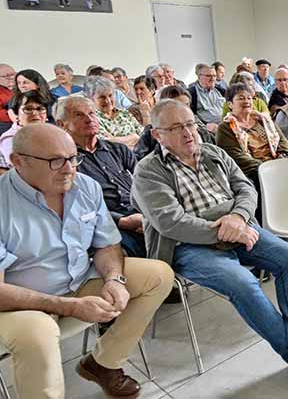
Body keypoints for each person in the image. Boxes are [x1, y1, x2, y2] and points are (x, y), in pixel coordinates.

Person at [131, 100, 288, 382]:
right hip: (186, 245)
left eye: (190, 124)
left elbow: (245, 189)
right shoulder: (148, 170)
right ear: (157, 134)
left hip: (237, 227)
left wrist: (237, 217)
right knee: (243, 283)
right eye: (175, 128)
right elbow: (171, 222)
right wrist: (227, 226)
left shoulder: (213, 153)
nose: (187, 132)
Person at [0, 123, 174, 399]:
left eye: (72, 158)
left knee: (158, 275)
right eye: (56, 161)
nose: (69, 168)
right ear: (17, 161)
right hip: (17, 305)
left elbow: (107, 244)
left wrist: (114, 279)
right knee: (38, 333)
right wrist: (66, 305)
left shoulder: (85, 186)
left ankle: (104, 363)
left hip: (78, 281)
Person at [55, 96, 147, 258]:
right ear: (62, 125)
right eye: (79, 115)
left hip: (141, 213)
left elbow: (147, 182)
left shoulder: (118, 150)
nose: (89, 119)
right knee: (120, 255)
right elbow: (74, 207)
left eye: (91, 113)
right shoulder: (63, 162)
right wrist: (121, 221)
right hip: (104, 223)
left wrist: (149, 213)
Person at [217, 83, 288, 222]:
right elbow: (236, 157)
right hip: (251, 171)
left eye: (249, 98)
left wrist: (280, 163)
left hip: (275, 164)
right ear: (230, 104)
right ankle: (271, 224)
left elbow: (284, 145)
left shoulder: (264, 120)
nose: (246, 101)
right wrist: (267, 168)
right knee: (259, 182)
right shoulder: (225, 128)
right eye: (241, 98)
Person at [135, 85, 214, 160]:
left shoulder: (201, 131)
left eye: (186, 105)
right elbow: (139, 159)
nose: (184, 109)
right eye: (178, 106)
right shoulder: (151, 133)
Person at [0, 90, 50, 173]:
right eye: (28, 109)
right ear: (16, 115)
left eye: (40, 109)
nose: (35, 113)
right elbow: (23, 170)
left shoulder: (51, 133)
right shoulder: (11, 138)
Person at [88, 77, 143, 148]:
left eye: (110, 96)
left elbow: (143, 134)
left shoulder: (124, 113)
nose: (108, 101)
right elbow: (103, 143)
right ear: (92, 98)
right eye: (102, 97)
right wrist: (133, 137)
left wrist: (114, 139)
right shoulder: (92, 118)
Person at [188, 63, 225, 132]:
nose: (213, 79)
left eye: (214, 76)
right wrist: (204, 125)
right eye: (209, 76)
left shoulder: (221, 90)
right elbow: (190, 115)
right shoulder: (191, 93)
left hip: (227, 124)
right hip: (208, 129)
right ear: (199, 76)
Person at [0, 63, 15, 134]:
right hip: (8, 122)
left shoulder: (22, 85)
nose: (11, 77)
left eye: (12, 74)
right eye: (6, 76)